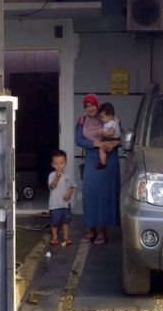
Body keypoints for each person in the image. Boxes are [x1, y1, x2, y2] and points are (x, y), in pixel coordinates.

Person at [75, 94, 121, 245]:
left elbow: (121, 137)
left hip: (109, 160)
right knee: (89, 193)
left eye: (92, 105)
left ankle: (102, 233)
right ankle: (90, 231)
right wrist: (97, 144)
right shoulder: (82, 122)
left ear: (97, 105)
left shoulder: (109, 118)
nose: (90, 108)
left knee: (103, 197)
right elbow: (79, 139)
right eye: (87, 106)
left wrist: (114, 143)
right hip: (92, 158)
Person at [48, 149, 76, 247]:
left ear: (65, 163)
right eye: (56, 164)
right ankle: (55, 237)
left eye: (62, 163)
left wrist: (70, 193)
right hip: (55, 204)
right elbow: (52, 186)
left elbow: (73, 185)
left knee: (65, 221)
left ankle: (66, 237)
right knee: (55, 222)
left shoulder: (67, 176)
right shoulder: (52, 175)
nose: (59, 166)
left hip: (65, 204)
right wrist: (57, 178)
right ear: (52, 165)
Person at [96, 102, 121, 169]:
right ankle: (109, 149)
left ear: (110, 116)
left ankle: (103, 163)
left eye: (103, 117)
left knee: (101, 149)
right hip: (113, 139)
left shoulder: (110, 123)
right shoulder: (114, 120)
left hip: (111, 138)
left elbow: (111, 133)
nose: (101, 119)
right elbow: (118, 119)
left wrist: (103, 132)